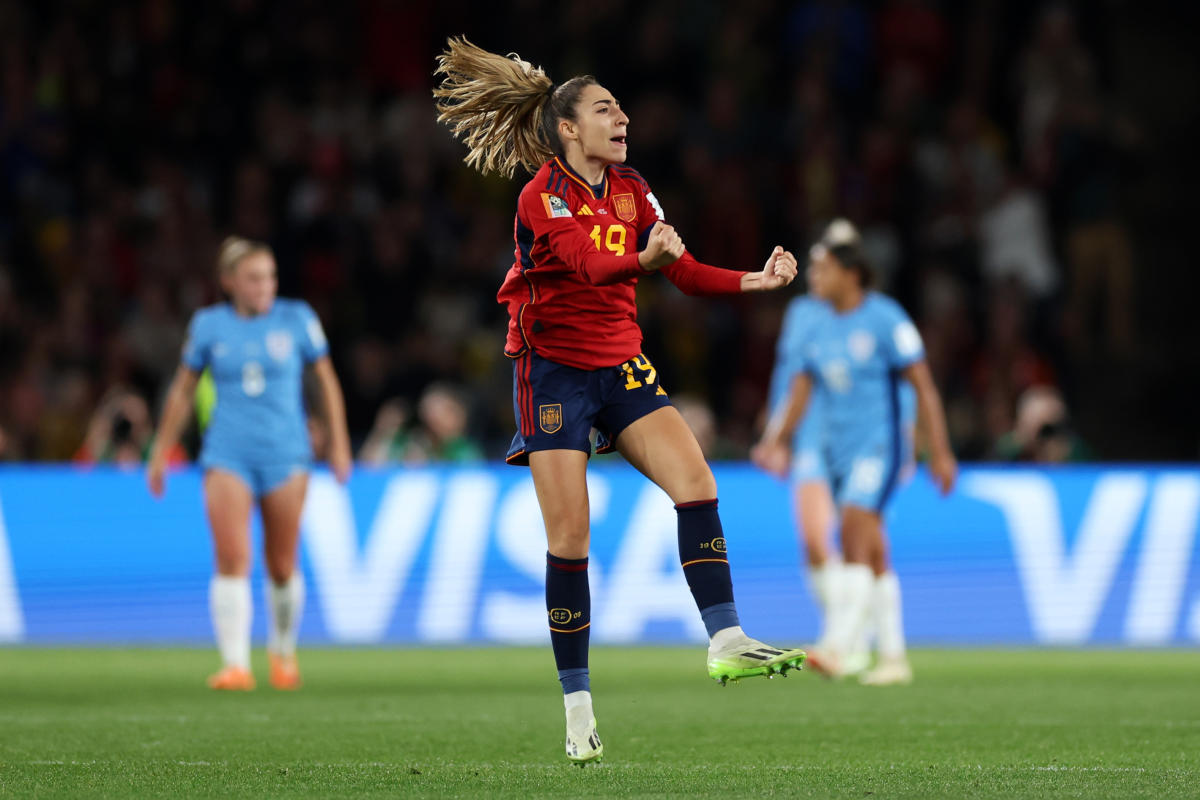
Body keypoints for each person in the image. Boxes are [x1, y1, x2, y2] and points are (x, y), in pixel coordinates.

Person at [434, 37, 806, 765]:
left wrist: (753, 283)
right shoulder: (540, 193)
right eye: (605, 109)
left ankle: (726, 639)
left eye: (621, 107)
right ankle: (578, 710)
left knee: (697, 483)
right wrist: (645, 260)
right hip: (554, 375)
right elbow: (588, 264)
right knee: (571, 538)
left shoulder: (633, 186)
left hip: (622, 364)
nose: (622, 116)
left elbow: (686, 269)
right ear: (568, 127)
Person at [753, 219, 956, 686]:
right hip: (838, 450)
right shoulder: (817, 324)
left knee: (852, 530)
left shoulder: (886, 319)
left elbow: (923, 387)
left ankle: (839, 644)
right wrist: (776, 438)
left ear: (851, 274)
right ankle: (893, 658)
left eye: (822, 270)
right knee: (873, 551)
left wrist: (938, 452)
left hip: (880, 446)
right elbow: (801, 387)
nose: (814, 278)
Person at [146, 236, 352, 691]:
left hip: (287, 454)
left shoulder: (297, 319)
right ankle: (235, 664)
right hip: (226, 454)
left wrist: (338, 443)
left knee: (281, 564)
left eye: (270, 276)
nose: (265, 286)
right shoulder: (208, 326)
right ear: (229, 282)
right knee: (232, 558)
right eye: (254, 278)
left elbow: (326, 382)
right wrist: (161, 450)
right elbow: (182, 390)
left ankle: (281, 650)